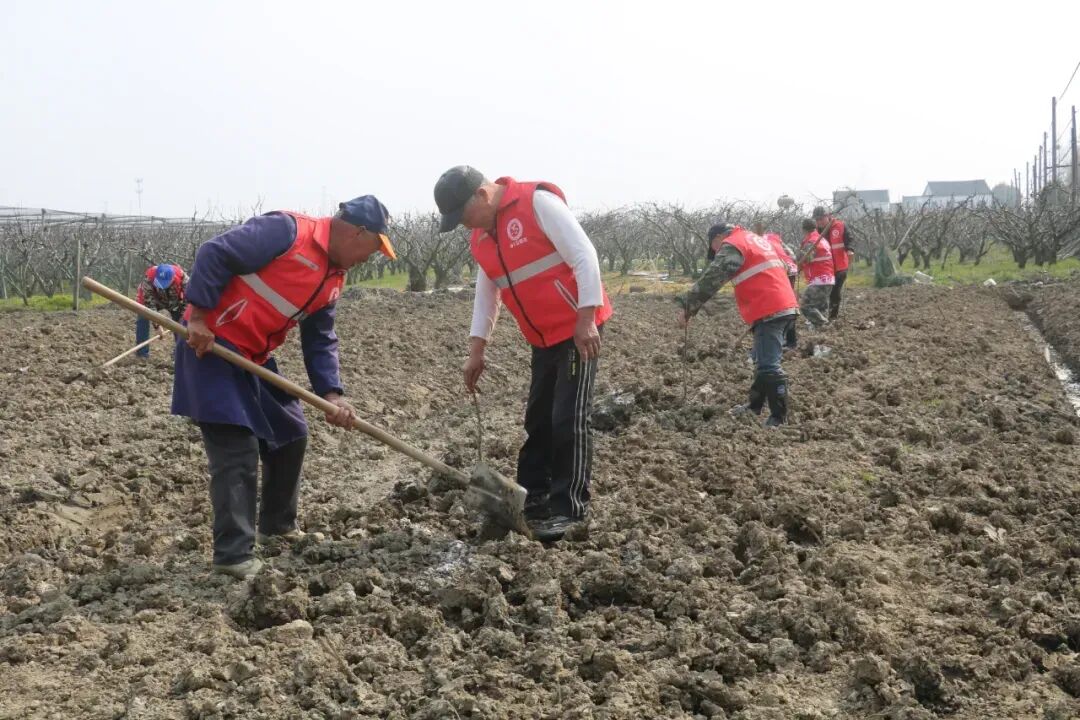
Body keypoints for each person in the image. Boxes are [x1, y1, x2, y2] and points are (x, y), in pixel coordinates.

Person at [173, 196, 396, 579]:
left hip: (255, 356)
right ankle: (233, 555)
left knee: (290, 433)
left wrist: (332, 394)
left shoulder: (334, 278)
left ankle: (276, 526)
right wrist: (199, 316)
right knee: (236, 447)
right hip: (212, 345)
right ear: (357, 232)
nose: (370, 258)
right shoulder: (288, 231)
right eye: (374, 248)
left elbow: (320, 339)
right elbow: (215, 252)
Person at [434, 166, 613, 542]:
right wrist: (476, 350)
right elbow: (487, 296)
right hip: (541, 336)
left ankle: (568, 510)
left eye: (464, 217)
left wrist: (586, 318)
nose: (466, 227)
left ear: (482, 196)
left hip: (577, 329)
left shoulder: (537, 203)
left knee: (569, 416)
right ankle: (532, 498)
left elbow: (585, 256)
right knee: (538, 418)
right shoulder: (482, 239)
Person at [677, 222, 799, 427]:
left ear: (717, 239)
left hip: (770, 307)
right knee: (762, 359)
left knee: (769, 364)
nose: (716, 253)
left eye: (714, 249)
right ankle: (754, 406)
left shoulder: (734, 244)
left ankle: (779, 417)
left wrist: (688, 306)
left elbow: (713, 277)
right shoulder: (753, 240)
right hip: (780, 304)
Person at [750, 221, 798, 349]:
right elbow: (791, 254)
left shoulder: (755, 243)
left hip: (778, 272)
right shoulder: (774, 237)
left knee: (776, 308)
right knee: (787, 306)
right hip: (790, 269)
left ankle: (779, 341)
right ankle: (790, 341)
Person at [135, 263, 187, 357]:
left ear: (172, 279)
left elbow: (189, 301)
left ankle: (180, 354)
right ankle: (142, 354)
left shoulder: (183, 278)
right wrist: (157, 325)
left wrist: (182, 319)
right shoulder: (149, 278)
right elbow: (149, 304)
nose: (161, 286)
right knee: (142, 316)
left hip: (175, 301)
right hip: (154, 299)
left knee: (182, 325)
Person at [812, 206, 853, 320]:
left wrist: (850, 249)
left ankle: (833, 317)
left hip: (840, 266)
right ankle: (822, 317)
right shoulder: (815, 233)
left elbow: (849, 239)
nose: (819, 222)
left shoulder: (840, 225)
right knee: (824, 293)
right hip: (825, 268)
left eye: (821, 218)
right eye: (817, 220)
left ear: (828, 216)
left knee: (835, 292)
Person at [796, 219, 834, 327]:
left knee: (805, 305)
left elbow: (807, 257)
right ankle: (820, 331)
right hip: (828, 278)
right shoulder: (821, 239)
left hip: (819, 279)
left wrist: (797, 257)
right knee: (820, 307)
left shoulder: (812, 241)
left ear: (804, 230)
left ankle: (824, 325)